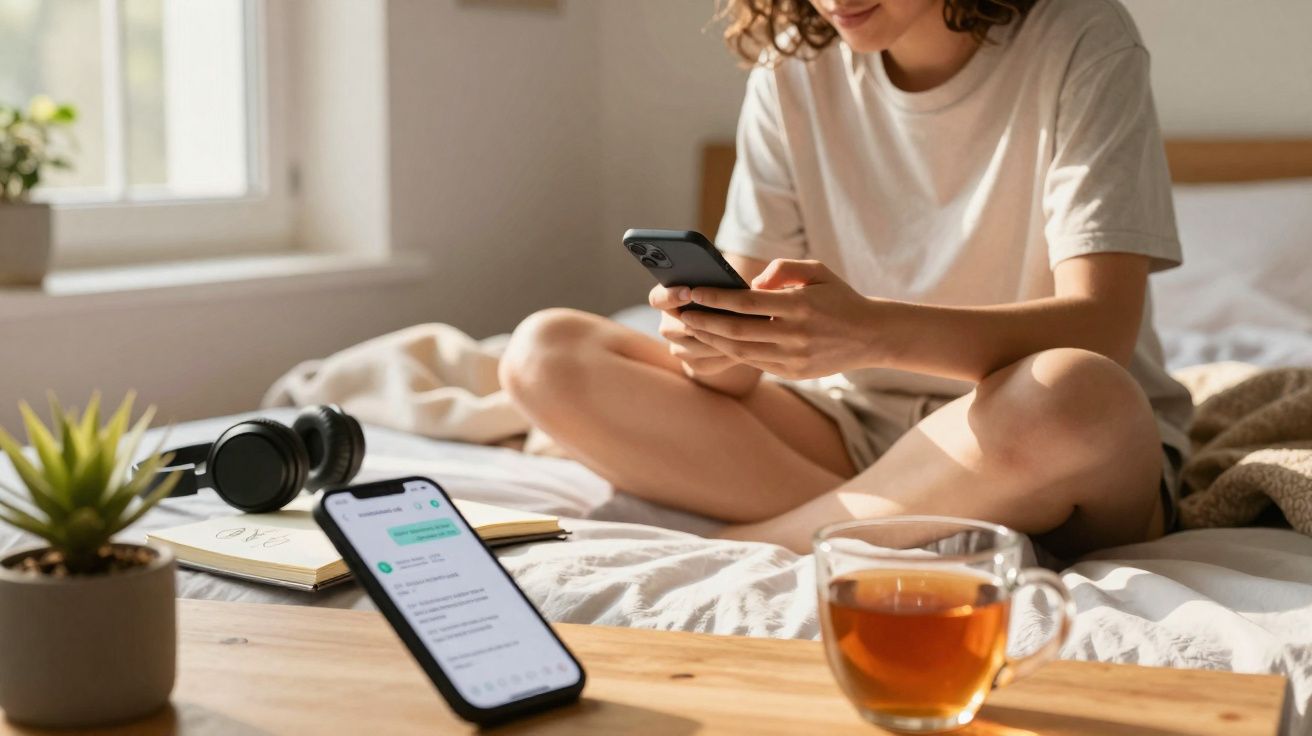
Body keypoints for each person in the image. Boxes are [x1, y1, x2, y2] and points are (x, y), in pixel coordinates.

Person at [499, 0, 1191, 557]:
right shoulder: (791, 68)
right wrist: (713, 340)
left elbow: (1103, 327)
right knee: (545, 355)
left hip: (1023, 433)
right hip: (850, 429)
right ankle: (907, 517)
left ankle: (768, 542)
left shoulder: (1083, 35)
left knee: (1073, 394)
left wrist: (873, 334)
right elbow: (732, 375)